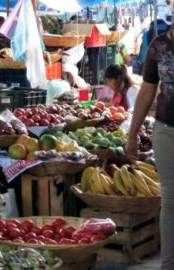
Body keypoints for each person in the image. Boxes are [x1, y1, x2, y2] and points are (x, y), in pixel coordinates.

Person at [126, 20, 174, 270]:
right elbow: (147, 91)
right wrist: (132, 134)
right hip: (167, 131)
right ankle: (169, 264)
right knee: (170, 200)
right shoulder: (158, 47)